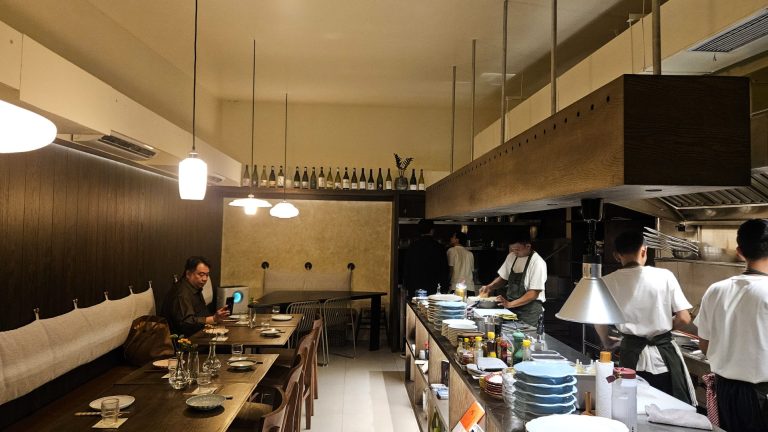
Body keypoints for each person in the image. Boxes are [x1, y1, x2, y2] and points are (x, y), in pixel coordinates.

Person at [595, 231, 696, 406]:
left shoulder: (605, 282)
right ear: (644, 250)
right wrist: (662, 329)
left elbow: (599, 319)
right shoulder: (665, 276)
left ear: (617, 255)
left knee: (630, 407)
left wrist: (607, 341)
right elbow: (684, 318)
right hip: (664, 359)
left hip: (630, 358)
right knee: (670, 409)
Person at [695, 219, 768, 431]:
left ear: (739, 252)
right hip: (761, 396)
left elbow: (704, 345)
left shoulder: (715, 289)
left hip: (725, 392)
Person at [479, 235, 546, 325]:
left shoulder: (537, 262)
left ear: (528, 246)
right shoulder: (511, 256)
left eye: (517, 249)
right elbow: (503, 277)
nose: (514, 252)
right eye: (512, 249)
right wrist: (490, 287)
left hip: (529, 311)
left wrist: (509, 304)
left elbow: (533, 293)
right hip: (512, 307)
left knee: (526, 334)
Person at [162, 256, 229, 336]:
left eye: (207, 275)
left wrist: (217, 317)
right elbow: (187, 323)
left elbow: (202, 314)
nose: (205, 279)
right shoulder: (181, 293)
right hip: (184, 339)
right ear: (188, 274)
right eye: (201, 274)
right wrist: (213, 318)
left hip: (199, 332)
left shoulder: (195, 286)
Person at [404, 219, 449, 297]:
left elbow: (407, 267)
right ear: (432, 231)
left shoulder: (412, 247)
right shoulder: (439, 247)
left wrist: (406, 285)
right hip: (434, 288)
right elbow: (444, 269)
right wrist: (444, 287)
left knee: (415, 305)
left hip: (415, 287)